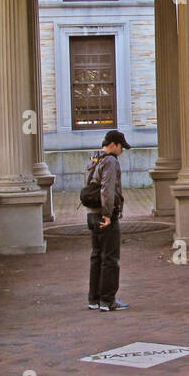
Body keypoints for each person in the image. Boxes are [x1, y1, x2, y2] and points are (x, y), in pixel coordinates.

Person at [86, 129, 129, 311]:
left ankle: (94, 298)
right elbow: (107, 188)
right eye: (121, 147)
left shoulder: (94, 158)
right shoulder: (110, 161)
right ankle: (108, 300)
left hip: (92, 213)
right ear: (113, 145)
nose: (122, 151)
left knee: (96, 256)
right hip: (105, 215)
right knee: (110, 258)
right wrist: (107, 214)